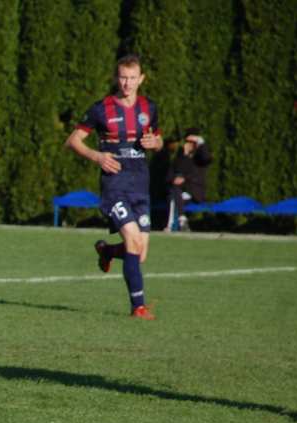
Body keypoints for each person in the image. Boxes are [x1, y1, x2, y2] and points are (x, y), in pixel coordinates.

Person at [66, 54, 163, 320]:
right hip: (115, 187)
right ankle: (138, 307)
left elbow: (158, 139)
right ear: (116, 78)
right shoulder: (101, 109)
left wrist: (156, 144)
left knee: (139, 253)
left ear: (141, 79)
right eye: (123, 77)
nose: (127, 83)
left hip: (140, 186)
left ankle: (108, 250)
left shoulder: (149, 108)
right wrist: (97, 156)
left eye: (132, 78)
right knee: (131, 240)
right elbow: (73, 140)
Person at [165, 128, 212, 231]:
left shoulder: (200, 155)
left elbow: (206, 158)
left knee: (173, 195)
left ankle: (172, 226)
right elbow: (174, 170)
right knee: (174, 191)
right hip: (180, 191)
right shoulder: (181, 155)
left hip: (194, 191)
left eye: (192, 142)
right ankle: (181, 221)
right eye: (188, 141)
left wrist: (201, 142)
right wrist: (185, 155)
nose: (189, 144)